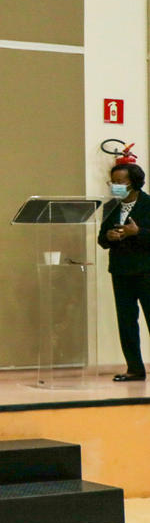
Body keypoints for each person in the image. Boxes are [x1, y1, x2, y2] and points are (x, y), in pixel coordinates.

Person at [98, 163, 150, 382]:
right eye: (113, 183)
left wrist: (138, 232)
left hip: (146, 270)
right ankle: (135, 368)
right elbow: (101, 239)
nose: (115, 187)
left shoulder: (148, 204)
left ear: (134, 183)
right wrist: (109, 236)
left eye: (120, 183)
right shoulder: (111, 206)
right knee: (126, 321)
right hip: (120, 271)